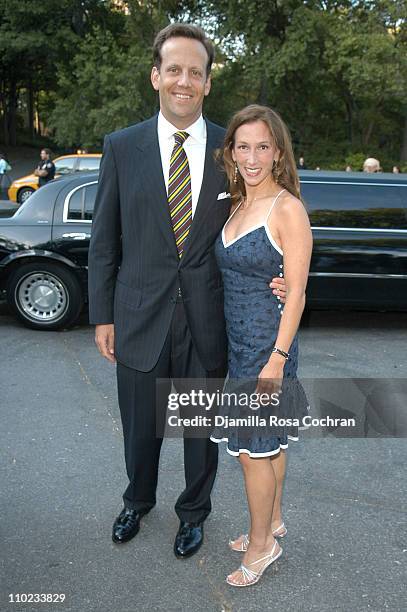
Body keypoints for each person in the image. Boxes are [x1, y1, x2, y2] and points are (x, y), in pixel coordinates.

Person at [87, 24, 287, 559]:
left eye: (194, 72)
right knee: (140, 424)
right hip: (136, 312)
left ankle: (193, 514)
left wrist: (287, 269)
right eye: (173, 69)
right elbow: (104, 241)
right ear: (156, 76)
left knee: (200, 433)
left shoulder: (232, 148)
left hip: (207, 315)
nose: (183, 80)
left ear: (206, 83)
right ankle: (137, 500)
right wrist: (101, 315)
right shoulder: (121, 147)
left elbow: (272, 211)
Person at [210, 105, 312, 587]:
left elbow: (298, 292)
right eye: (243, 146)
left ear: (278, 153)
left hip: (267, 350)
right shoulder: (236, 203)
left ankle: (261, 546)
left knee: (252, 451)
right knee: (269, 446)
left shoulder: (287, 207)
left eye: (263, 147)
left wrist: (276, 359)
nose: (252, 156)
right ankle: (271, 521)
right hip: (239, 344)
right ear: (231, 151)